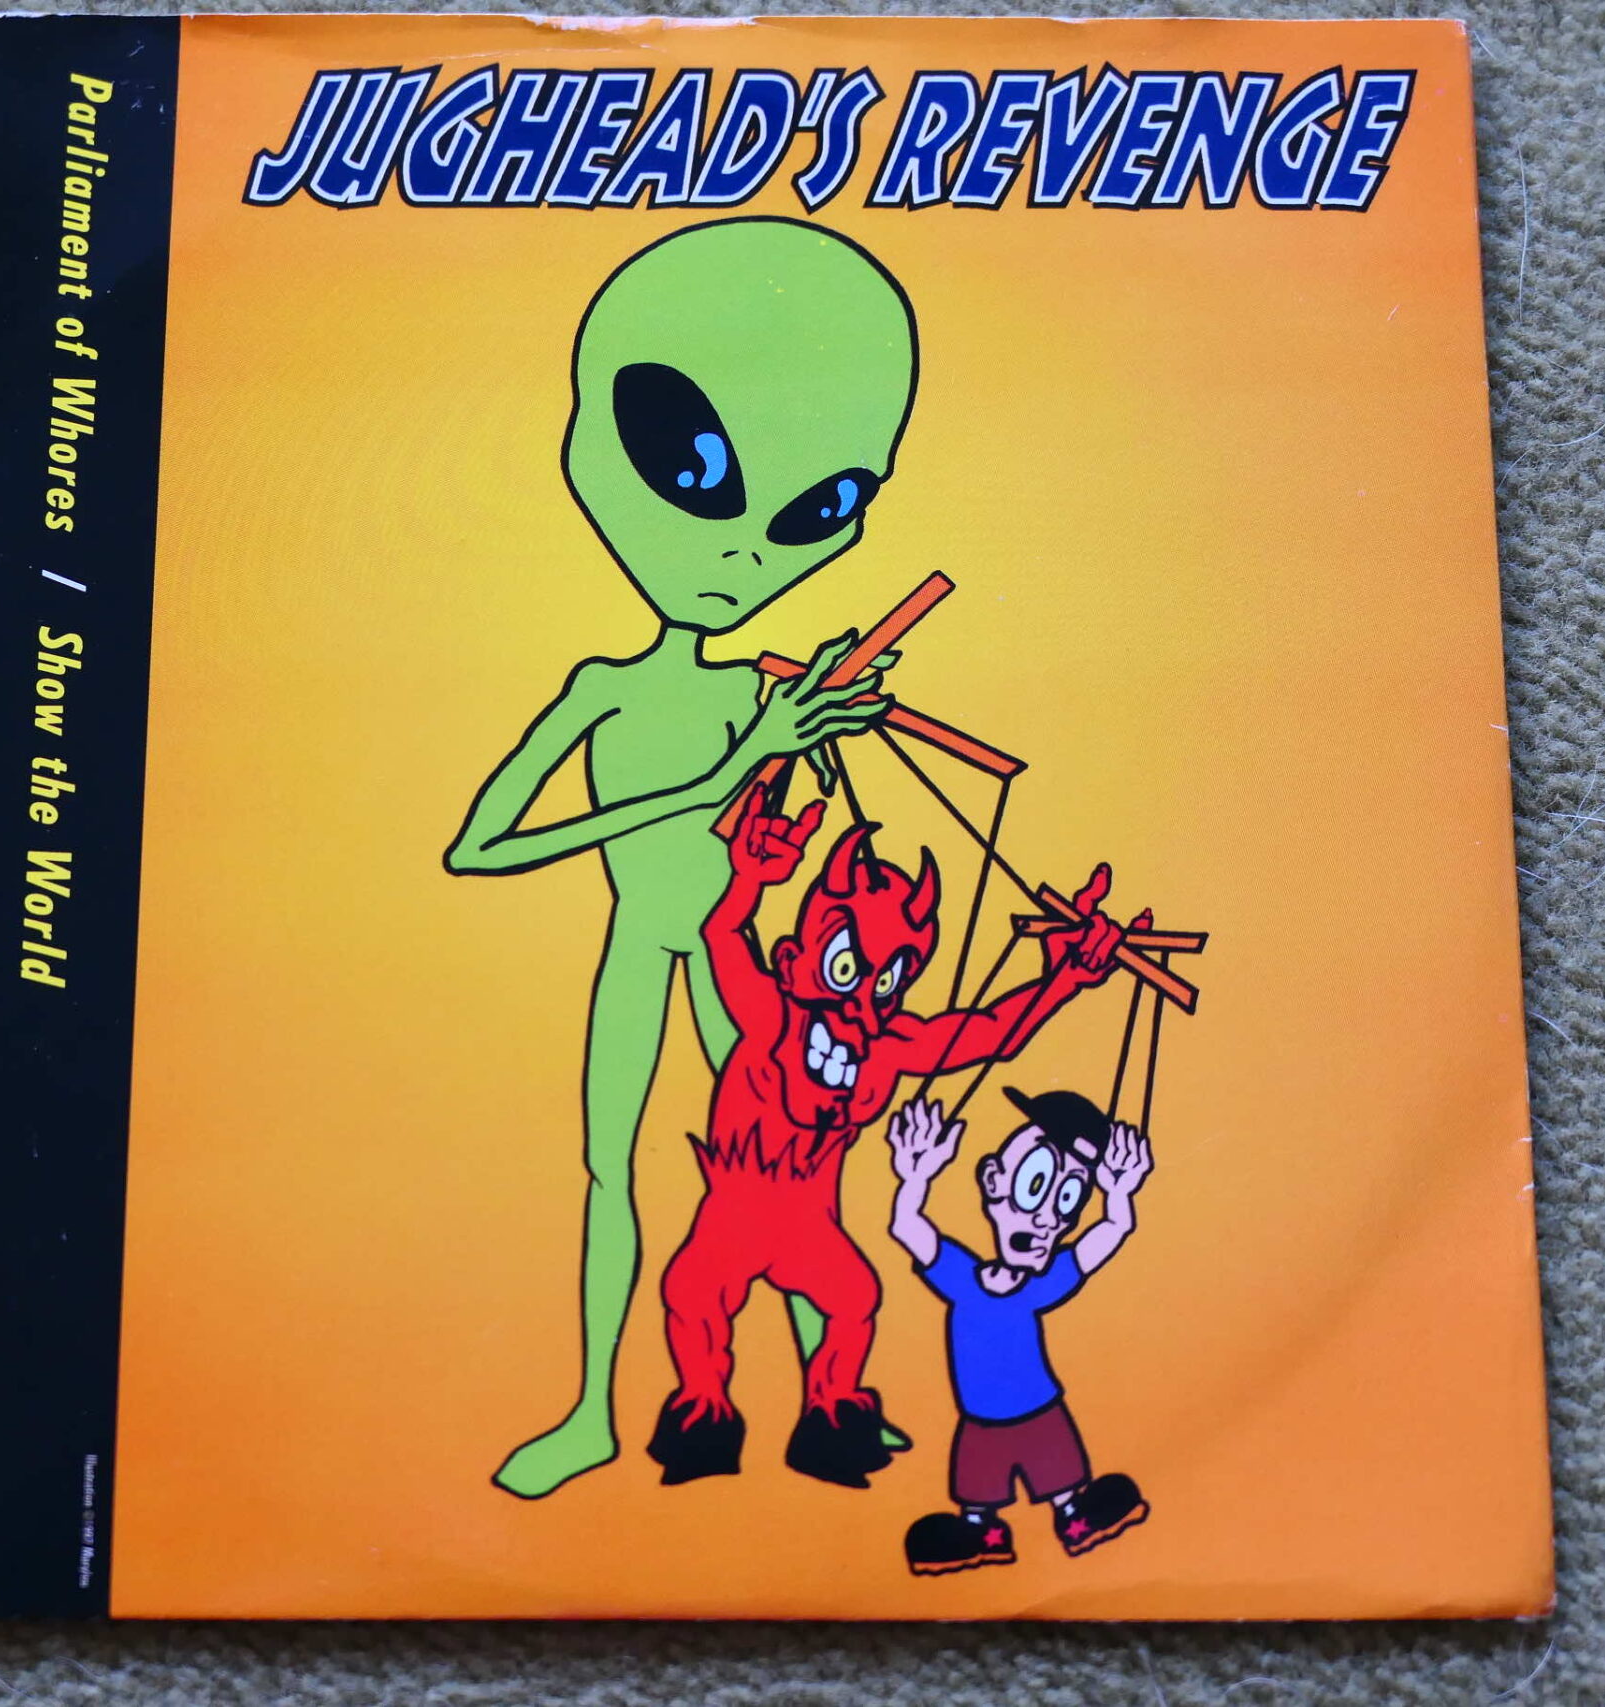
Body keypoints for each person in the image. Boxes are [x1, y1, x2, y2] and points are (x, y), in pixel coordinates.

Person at [446, 218, 916, 1498]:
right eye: (692, 468)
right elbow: (478, 845)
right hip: (642, 945)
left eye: (820, 510)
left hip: (736, 959)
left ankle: (834, 1398)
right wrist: (716, 778)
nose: (746, 553)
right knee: (613, 1170)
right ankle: (591, 1412)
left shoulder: (763, 688)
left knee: (801, 1179)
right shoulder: (606, 687)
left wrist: (811, 732)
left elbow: (795, 819)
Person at [648, 793, 1127, 1489]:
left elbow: (990, 1033)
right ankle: (703, 1411)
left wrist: (1063, 978)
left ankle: (831, 1414)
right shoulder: (773, 1012)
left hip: (807, 1224)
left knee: (854, 1296)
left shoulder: (888, 1044)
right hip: (736, 1207)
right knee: (694, 1293)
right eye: (847, 967)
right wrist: (747, 878)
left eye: (889, 980)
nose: (861, 1000)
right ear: (794, 957)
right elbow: (722, 935)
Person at [885, 1088, 1154, 1573]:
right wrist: (915, 1176)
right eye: (1035, 1184)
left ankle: (1074, 1516)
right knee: (978, 1488)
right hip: (981, 1419)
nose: (1048, 1217)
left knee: (1063, 1480)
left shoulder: (1039, 1286)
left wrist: (1118, 1197)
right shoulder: (962, 1278)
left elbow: (1106, 1237)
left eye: (1067, 1199)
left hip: (1040, 1412)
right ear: (993, 1181)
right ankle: (980, 1534)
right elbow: (908, 1226)